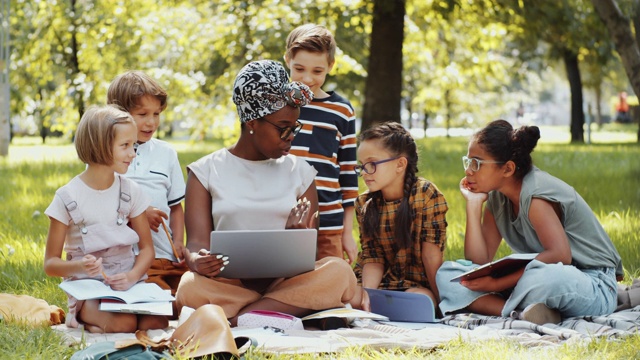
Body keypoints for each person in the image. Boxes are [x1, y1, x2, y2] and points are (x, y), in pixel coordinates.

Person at [174, 60, 357, 327]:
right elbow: (196, 244)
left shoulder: (301, 172)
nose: (290, 136)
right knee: (189, 286)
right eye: (283, 127)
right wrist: (196, 261)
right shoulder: (205, 171)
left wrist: (298, 238)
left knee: (338, 271)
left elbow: (309, 256)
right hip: (230, 285)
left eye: (294, 127)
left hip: (287, 283)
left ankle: (239, 320)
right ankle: (283, 312)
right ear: (252, 122)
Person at [436, 120, 622, 325]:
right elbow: (478, 261)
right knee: (448, 274)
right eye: (468, 161)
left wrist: (498, 283)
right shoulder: (497, 197)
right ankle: (524, 313)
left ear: (507, 169)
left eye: (477, 163)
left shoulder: (535, 197)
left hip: (592, 283)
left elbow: (560, 256)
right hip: (536, 275)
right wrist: (473, 205)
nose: (468, 171)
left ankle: (505, 305)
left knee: (546, 278)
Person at [44, 105, 167, 333]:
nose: (133, 153)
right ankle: (78, 316)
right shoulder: (67, 197)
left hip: (129, 285)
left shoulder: (131, 191)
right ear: (100, 147)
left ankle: (99, 322)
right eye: (125, 146)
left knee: (157, 323)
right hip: (87, 288)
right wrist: (80, 266)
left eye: (134, 145)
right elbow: (50, 264)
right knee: (124, 324)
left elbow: (147, 249)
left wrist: (131, 276)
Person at [347, 122, 448, 312]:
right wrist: (368, 295)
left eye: (371, 164)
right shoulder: (364, 203)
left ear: (400, 164)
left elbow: (431, 255)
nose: (364, 173)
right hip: (376, 280)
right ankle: (375, 305)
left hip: (416, 284)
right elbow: (373, 257)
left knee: (419, 302)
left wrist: (443, 302)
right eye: (361, 166)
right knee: (350, 298)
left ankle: (389, 306)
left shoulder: (425, 194)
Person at [107, 71, 186, 306]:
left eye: (156, 114)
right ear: (119, 114)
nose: (151, 122)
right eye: (142, 114)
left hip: (166, 256)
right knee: (160, 304)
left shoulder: (166, 153)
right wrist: (140, 214)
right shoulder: (107, 154)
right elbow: (102, 205)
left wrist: (179, 243)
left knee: (194, 295)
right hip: (130, 260)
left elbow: (176, 206)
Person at [284, 24, 359, 263]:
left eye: (317, 71)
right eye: (299, 69)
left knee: (331, 284)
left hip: (329, 224)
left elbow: (348, 175)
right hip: (281, 220)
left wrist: (347, 232)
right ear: (287, 60)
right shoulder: (277, 106)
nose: (307, 78)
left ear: (330, 66)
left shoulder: (342, 111)